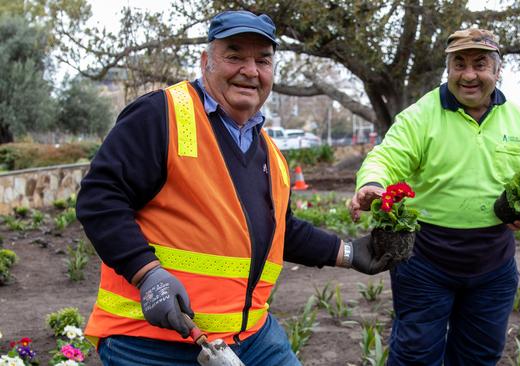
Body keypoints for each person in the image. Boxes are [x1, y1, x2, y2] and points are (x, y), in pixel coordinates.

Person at [76, 10, 391, 366]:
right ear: (206, 61)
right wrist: (146, 274)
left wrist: (350, 253)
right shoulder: (161, 114)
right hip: (153, 341)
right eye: (235, 55)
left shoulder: (271, 155)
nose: (250, 70)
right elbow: (99, 198)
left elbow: (281, 233)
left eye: (262, 60)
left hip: (252, 338)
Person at [349, 28, 520, 365]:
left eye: (480, 64)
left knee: (479, 356)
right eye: (459, 64)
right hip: (425, 263)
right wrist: (372, 184)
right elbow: (386, 157)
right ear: (448, 70)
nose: (469, 74)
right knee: (416, 357)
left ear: (498, 71)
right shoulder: (421, 115)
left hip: (494, 265)